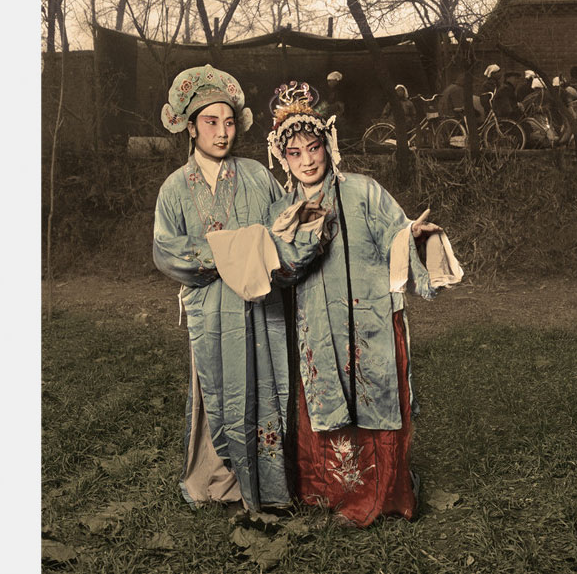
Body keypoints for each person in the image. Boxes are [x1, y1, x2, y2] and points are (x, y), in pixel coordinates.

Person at [265, 82, 464, 527]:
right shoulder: (280, 210)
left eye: (314, 148)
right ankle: (328, 495)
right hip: (317, 325)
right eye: (295, 153)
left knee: (375, 398)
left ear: (328, 145)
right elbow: (276, 271)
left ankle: (385, 496)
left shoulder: (363, 190)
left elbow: (396, 235)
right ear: (282, 157)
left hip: (369, 320)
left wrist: (410, 236)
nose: (307, 161)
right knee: (326, 405)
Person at [153, 65, 325, 513]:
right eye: (211, 122)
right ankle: (216, 479)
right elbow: (166, 249)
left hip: (260, 306)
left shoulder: (255, 175)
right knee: (218, 392)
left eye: (229, 122)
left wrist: (302, 229)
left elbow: (283, 232)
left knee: (264, 387)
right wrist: (231, 251)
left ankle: (270, 485)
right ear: (190, 127)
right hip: (211, 309)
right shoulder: (175, 188)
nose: (222, 132)